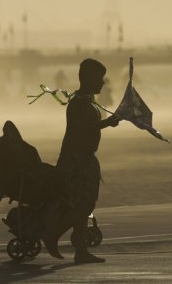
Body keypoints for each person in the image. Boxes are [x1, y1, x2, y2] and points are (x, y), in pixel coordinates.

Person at [42, 58, 120, 264]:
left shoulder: (86, 100)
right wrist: (108, 123)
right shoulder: (79, 102)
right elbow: (81, 130)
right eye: (100, 78)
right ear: (87, 78)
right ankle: (53, 235)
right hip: (75, 160)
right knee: (84, 206)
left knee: (83, 204)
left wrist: (106, 122)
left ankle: (81, 251)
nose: (103, 83)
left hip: (84, 158)